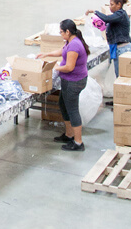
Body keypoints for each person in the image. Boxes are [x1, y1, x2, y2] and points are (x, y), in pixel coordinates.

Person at [36, 19, 90, 152]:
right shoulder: (70, 41)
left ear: (68, 31)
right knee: (63, 105)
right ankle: (69, 135)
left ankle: (78, 143)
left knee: (72, 110)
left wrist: (54, 67)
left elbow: (69, 67)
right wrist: (47, 54)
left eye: (61, 32)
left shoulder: (75, 45)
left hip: (74, 82)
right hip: (68, 81)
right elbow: (62, 51)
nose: (60, 34)